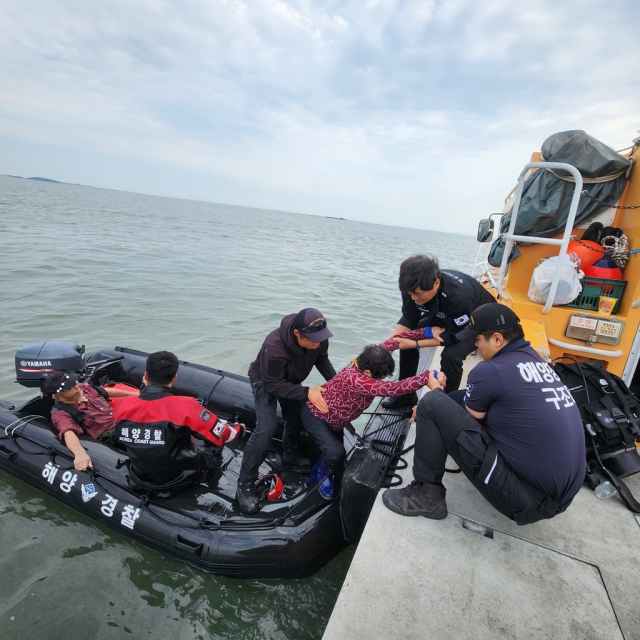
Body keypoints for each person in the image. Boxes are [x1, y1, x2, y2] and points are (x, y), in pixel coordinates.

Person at [382, 303, 586, 526]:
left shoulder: (489, 370)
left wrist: (436, 394)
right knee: (441, 404)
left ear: (497, 339)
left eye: (477, 339)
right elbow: (470, 400)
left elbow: (469, 427)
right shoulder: (536, 361)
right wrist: (441, 405)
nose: (475, 346)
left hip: (525, 501)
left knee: (431, 402)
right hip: (558, 497)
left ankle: (427, 496)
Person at [301, 329, 446, 499]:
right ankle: (317, 475)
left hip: (336, 421)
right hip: (317, 416)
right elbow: (392, 389)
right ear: (368, 374)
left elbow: (396, 341)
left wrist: (427, 331)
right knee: (336, 453)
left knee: (334, 456)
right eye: (380, 378)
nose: (382, 380)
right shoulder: (357, 379)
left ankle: (312, 479)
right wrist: (427, 377)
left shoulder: (369, 359)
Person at [237, 308, 337, 514]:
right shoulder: (274, 346)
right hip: (266, 381)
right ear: (297, 334)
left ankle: (289, 454)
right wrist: (308, 391)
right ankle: (245, 483)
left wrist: (338, 385)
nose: (318, 344)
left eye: (321, 339)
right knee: (266, 427)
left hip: (291, 380)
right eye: (313, 340)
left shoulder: (319, 338)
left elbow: (322, 360)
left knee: (296, 416)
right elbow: (273, 385)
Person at [114, 351, 245, 496]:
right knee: (210, 444)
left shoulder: (122, 406)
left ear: (145, 376)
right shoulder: (186, 406)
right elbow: (223, 434)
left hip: (140, 477)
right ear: (174, 378)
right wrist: (239, 429)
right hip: (179, 479)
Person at [383, 254, 495, 407]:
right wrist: (388, 346)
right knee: (405, 336)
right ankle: (406, 395)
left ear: (436, 283)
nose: (414, 298)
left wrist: (414, 344)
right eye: (411, 294)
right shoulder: (412, 286)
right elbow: (410, 317)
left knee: (451, 355)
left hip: (477, 323)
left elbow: (456, 335)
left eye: (418, 295)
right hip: (443, 314)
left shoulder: (460, 295)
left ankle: (445, 405)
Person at [50, 374, 139, 471]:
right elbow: (68, 432)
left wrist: (135, 394)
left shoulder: (83, 388)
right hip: (107, 434)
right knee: (141, 429)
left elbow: (104, 391)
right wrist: (79, 453)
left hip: (118, 419)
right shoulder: (61, 412)